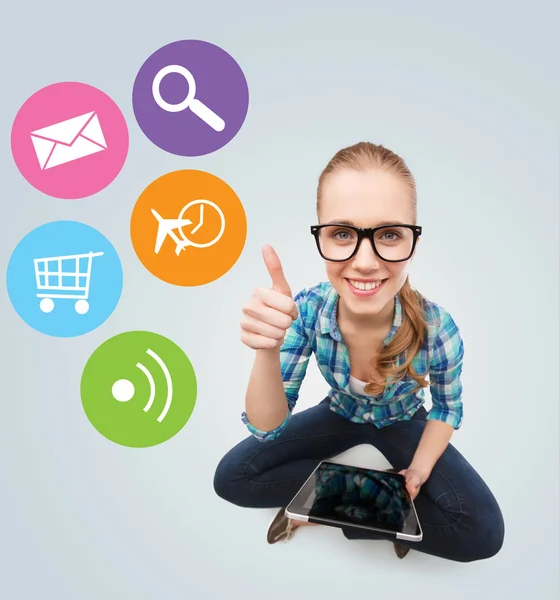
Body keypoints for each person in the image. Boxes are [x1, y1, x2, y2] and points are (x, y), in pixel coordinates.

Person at [213, 141, 505, 562]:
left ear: (413, 241)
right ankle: (368, 503)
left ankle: (318, 509)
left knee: (483, 532)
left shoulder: (438, 329)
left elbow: (446, 409)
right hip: (340, 414)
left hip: (404, 421)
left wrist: (418, 471)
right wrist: (267, 351)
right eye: (343, 234)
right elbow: (266, 427)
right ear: (321, 236)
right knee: (233, 477)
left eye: (388, 234)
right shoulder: (307, 311)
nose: (365, 262)